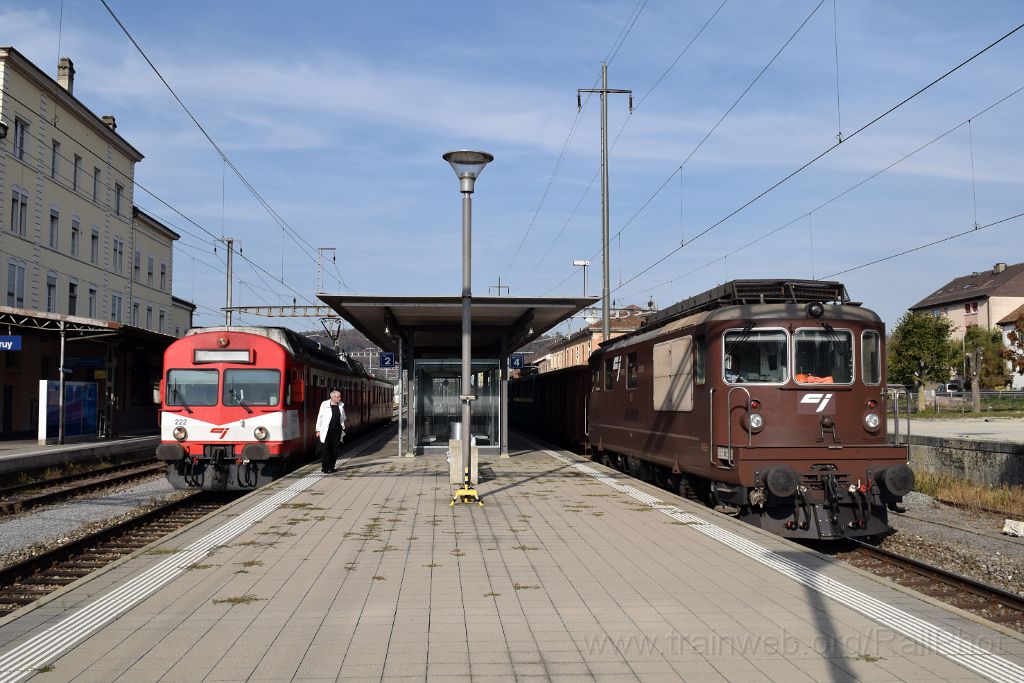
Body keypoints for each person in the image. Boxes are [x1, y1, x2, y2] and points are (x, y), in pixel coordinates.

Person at [315, 390, 346, 473]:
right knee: (325, 449)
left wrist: (342, 425)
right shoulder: (324, 404)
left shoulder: (341, 405)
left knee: (334, 450)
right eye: (338, 397)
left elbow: (343, 417)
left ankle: (331, 467)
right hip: (326, 431)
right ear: (332, 397)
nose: (340, 398)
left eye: (340, 396)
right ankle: (324, 468)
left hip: (337, 431)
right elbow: (320, 417)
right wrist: (318, 429)